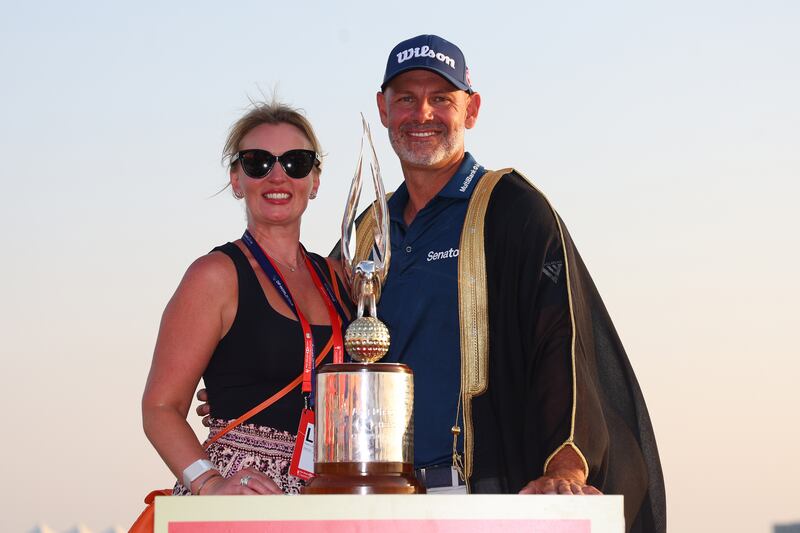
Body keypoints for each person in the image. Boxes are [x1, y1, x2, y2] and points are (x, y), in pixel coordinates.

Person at [197, 35, 665, 532]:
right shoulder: (367, 229)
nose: (422, 114)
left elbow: (561, 340)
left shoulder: (512, 209)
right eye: (406, 98)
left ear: (471, 109)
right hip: (368, 497)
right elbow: (319, 336)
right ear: (383, 109)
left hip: (475, 492)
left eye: (441, 98)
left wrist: (565, 465)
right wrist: (246, 391)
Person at [142, 101, 349, 496]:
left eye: (296, 162)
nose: (277, 176)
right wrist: (211, 484)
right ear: (237, 179)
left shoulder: (340, 280)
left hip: (328, 493)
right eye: (257, 162)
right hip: (246, 494)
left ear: (315, 181)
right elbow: (159, 409)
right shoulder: (215, 276)